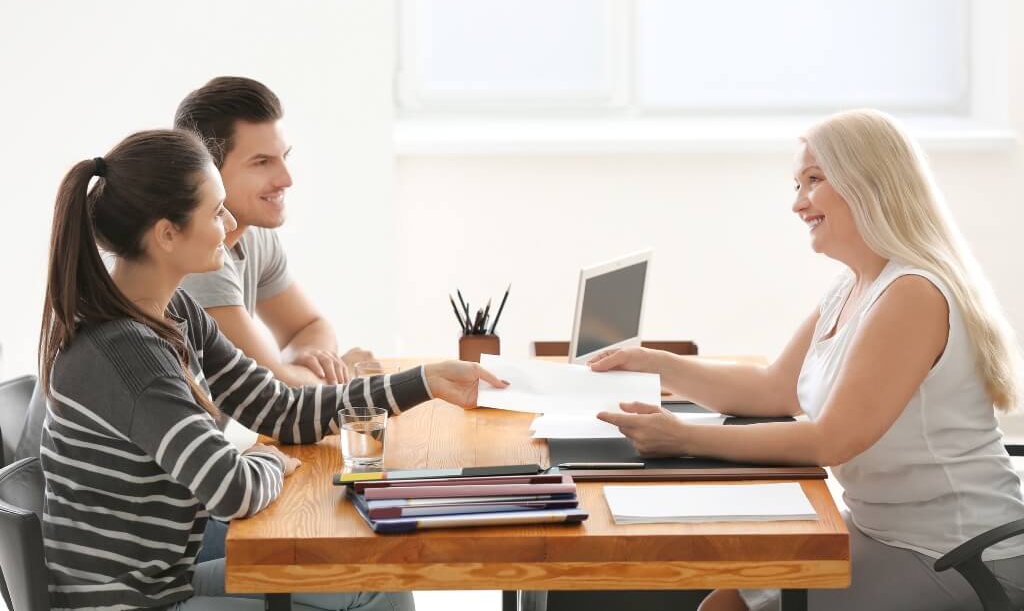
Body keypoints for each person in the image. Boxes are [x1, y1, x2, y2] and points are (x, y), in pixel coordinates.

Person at [37, 129, 506, 610]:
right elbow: (232, 489)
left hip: (166, 580)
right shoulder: (128, 354)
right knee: (375, 582)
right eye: (216, 210)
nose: (230, 221)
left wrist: (424, 381)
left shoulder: (172, 313)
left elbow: (283, 408)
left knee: (376, 574)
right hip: (138, 602)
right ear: (167, 233)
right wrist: (269, 464)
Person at [592, 109, 1024, 610]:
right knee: (721, 605)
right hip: (886, 531)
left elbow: (832, 439)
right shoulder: (854, 286)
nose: (798, 204)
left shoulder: (912, 295)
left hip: (956, 555)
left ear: (868, 183)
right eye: (797, 185)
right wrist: (655, 362)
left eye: (813, 181)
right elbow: (773, 388)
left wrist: (684, 437)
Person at [174, 76, 366, 388]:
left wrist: (305, 360)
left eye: (284, 157)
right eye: (262, 162)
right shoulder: (197, 260)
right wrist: (340, 372)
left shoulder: (252, 232)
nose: (286, 179)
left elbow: (310, 326)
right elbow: (276, 393)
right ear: (205, 172)